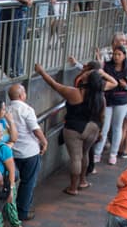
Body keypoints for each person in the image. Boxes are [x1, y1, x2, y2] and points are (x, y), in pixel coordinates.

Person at [34, 61, 114, 197]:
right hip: (93, 128)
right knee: (85, 154)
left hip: (74, 128)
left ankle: (73, 187)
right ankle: (83, 181)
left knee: (76, 158)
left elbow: (54, 85)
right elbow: (102, 116)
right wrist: (100, 131)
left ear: (87, 80)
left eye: (87, 74)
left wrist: (41, 72)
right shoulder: (100, 96)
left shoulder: (74, 93)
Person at [5, 83, 46, 223]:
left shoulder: (6, 110)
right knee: (28, 183)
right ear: (22, 95)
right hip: (29, 152)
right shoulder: (27, 109)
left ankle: (10, 211)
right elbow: (35, 128)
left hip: (12, 153)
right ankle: (23, 212)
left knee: (11, 183)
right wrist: (44, 141)